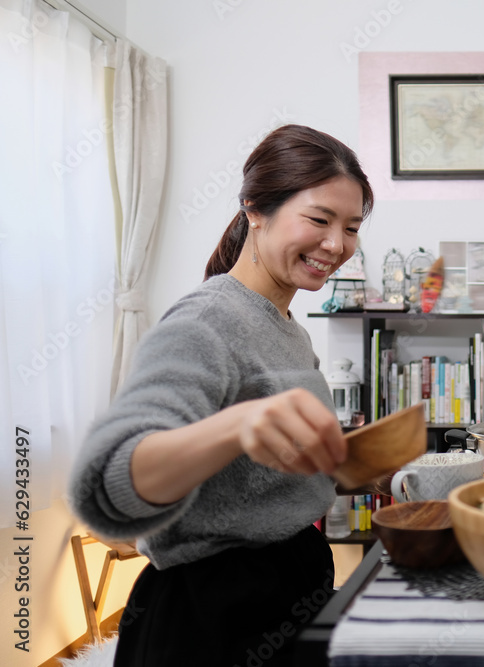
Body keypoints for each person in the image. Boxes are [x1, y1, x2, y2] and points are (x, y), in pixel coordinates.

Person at [69, 124, 375, 666]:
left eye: (351, 227)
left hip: (291, 587)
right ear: (256, 209)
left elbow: (266, 474)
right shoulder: (205, 322)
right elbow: (108, 481)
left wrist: (361, 463)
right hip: (213, 618)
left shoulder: (288, 328)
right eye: (319, 219)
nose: (337, 245)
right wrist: (237, 427)